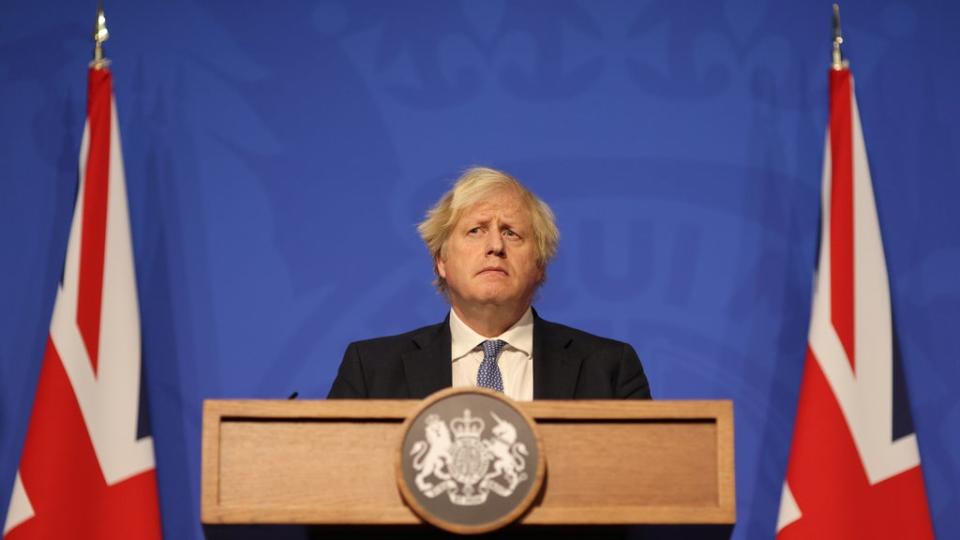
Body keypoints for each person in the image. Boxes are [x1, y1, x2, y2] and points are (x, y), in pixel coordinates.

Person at [328, 167, 650, 401]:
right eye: (476, 231)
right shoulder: (371, 371)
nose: (495, 245)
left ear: (539, 264)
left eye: (512, 232)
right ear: (442, 261)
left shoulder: (610, 369)